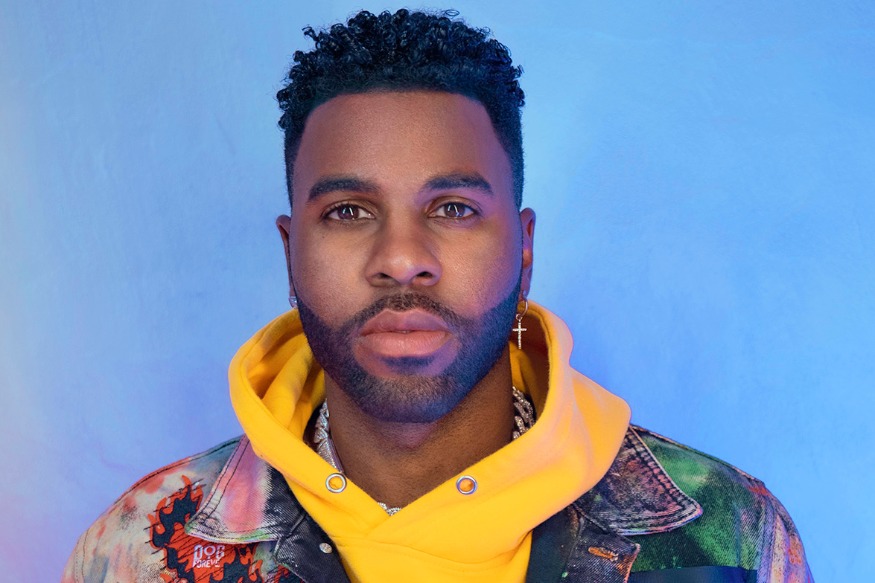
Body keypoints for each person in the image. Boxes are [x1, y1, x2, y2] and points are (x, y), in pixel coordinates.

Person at [63, 9, 811, 582]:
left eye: (452, 208)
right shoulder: (138, 552)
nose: (401, 260)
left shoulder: (726, 536)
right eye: (348, 212)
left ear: (523, 248)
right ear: (291, 253)